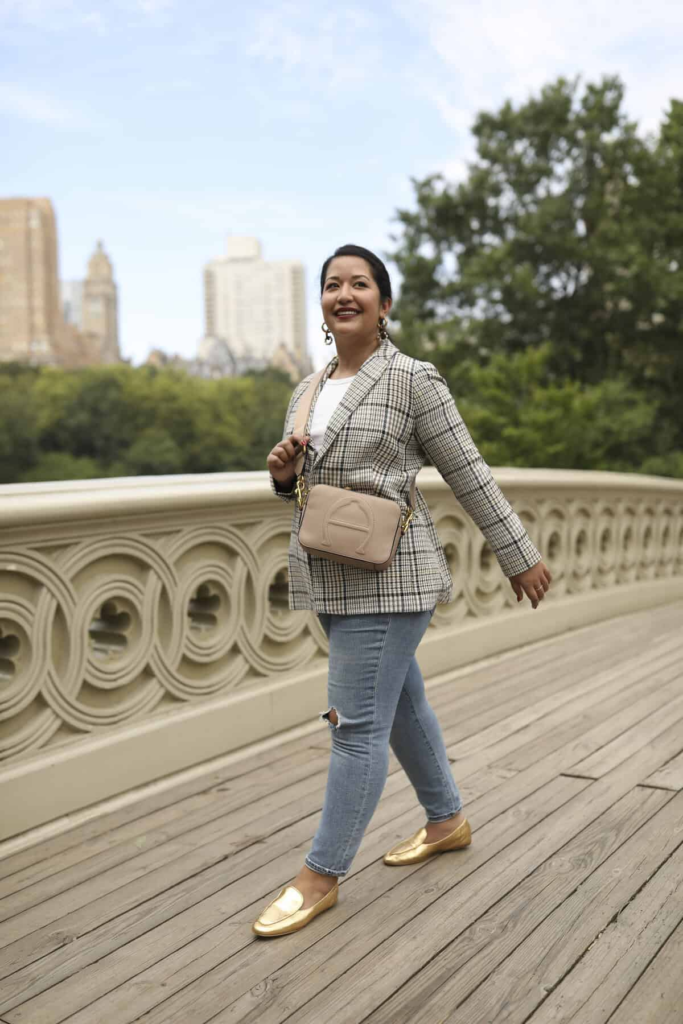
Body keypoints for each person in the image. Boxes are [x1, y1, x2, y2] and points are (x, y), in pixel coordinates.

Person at [254, 244, 551, 938]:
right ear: (322, 306)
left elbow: (468, 471)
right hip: (328, 573)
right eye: (332, 285)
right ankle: (445, 819)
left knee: (353, 727)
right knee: (399, 706)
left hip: (391, 578)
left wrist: (517, 554)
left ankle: (318, 875)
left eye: (360, 284)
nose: (343, 293)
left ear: (383, 306)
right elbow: (300, 489)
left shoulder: (412, 379)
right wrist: (278, 474)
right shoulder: (306, 388)